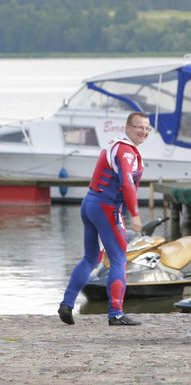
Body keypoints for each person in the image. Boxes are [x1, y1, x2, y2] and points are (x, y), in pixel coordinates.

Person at [58, 112, 150, 326]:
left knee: (91, 258)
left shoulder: (116, 145)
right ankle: (116, 313)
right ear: (127, 128)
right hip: (106, 208)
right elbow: (127, 184)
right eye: (139, 127)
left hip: (90, 203)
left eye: (147, 128)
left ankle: (66, 304)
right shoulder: (126, 151)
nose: (143, 132)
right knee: (118, 259)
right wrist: (135, 215)